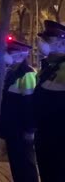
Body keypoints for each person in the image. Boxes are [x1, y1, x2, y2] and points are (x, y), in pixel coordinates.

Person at [0, 39, 38, 182]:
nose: (7, 55)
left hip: (22, 129)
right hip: (12, 127)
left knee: (25, 164)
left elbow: (30, 104)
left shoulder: (27, 74)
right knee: (16, 163)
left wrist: (30, 130)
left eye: (10, 52)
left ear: (21, 54)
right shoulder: (11, 72)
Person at [34, 20, 65, 182]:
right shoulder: (47, 68)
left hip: (60, 139)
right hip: (44, 135)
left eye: (48, 40)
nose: (42, 43)